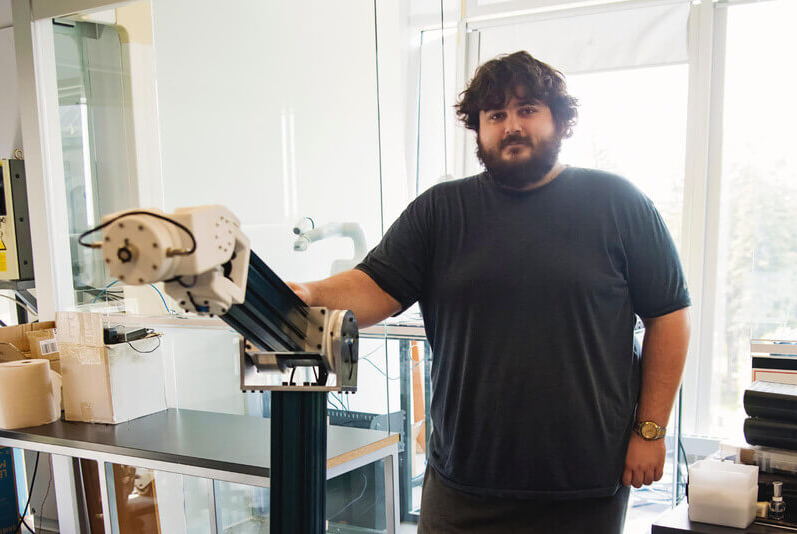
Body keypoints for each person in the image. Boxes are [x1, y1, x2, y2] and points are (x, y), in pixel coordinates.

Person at [289, 51, 691, 533]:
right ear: (478, 129)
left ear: (559, 121)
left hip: (583, 483)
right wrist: (308, 292)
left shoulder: (617, 203)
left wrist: (650, 431)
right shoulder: (441, 211)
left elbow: (669, 316)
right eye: (495, 114)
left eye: (527, 110)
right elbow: (375, 285)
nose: (511, 126)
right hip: (463, 484)